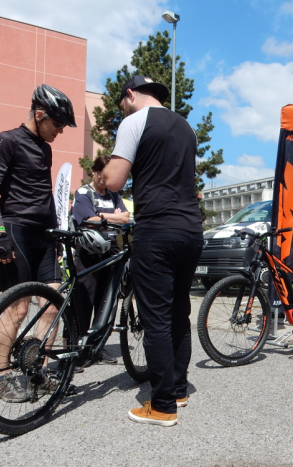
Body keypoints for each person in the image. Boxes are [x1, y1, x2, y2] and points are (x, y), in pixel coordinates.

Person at [103, 76, 203, 427]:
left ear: (130, 94)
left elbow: (114, 180)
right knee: (178, 312)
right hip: (191, 231)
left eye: (122, 103)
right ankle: (177, 389)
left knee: (156, 318)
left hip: (158, 228)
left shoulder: (134, 121)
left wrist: (103, 173)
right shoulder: (186, 127)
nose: (123, 110)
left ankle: (161, 406)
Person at [0, 84, 77, 402]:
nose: (60, 131)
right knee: (18, 310)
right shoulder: (8, 140)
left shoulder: (45, 149)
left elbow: (43, 195)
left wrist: (58, 235)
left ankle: (39, 375)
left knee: (50, 306)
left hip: (44, 236)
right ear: (39, 115)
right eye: (58, 124)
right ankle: (2, 379)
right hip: (15, 232)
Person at [71, 155, 129, 367]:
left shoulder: (114, 195)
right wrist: (108, 217)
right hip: (88, 252)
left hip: (111, 251)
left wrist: (100, 217)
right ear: (94, 172)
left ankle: (98, 347)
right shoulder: (84, 193)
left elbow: (125, 217)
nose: (105, 180)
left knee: (107, 301)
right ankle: (78, 350)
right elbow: (86, 219)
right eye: (102, 175)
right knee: (84, 301)